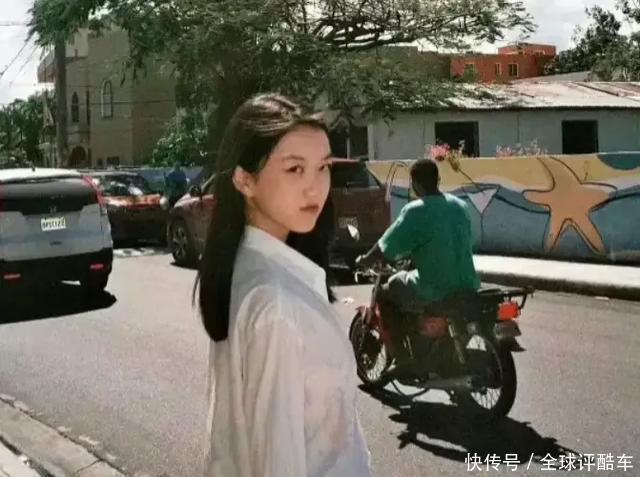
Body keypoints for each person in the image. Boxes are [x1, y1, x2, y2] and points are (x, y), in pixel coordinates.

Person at [197, 94, 371, 477]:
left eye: (323, 167)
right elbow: (278, 463)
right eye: (295, 169)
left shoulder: (253, 265)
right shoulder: (275, 302)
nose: (315, 187)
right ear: (244, 179)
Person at [356, 158, 480, 347]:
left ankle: (400, 353)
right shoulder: (459, 206)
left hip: (435, 288)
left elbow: (386, 245)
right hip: (468, 284)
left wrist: (366, 259)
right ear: (438, 180)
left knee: (387, 290)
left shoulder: (416, 210)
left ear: (415, 184)